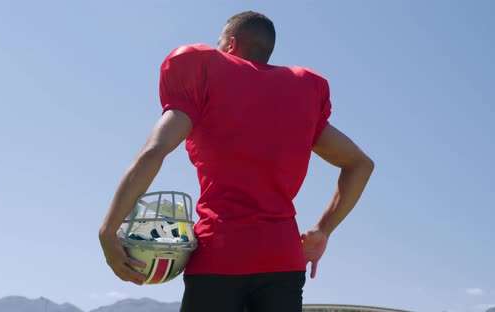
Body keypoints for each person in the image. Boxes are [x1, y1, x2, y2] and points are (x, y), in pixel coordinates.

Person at [99, 11, 374, 312]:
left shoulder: (205, 72)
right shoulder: (302, 93)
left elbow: (154, 151)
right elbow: (360, 164)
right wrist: (323, 230)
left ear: (230, 45)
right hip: (282, 259)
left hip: (219, 255)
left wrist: (108, 230)